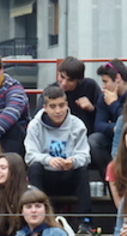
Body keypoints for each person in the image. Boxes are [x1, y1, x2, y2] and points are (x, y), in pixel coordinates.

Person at [25, 85, 91, 222]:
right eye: (53, 106)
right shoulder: (34, 125)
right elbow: (30, 155)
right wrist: (48, 160)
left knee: (82, 170)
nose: (58, 111)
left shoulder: (78, 125)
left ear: (67, 105)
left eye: (61, 105)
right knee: (34, 168)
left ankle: (85, 222)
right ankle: (40, 219)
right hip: (46, 176)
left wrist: (72, 161)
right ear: (45, 108)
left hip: (68, 175)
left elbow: (85, 156)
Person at [90, 59, 127, 173]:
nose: (103, 86)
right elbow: (98, 125)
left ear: (118, 78)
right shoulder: (104, 97)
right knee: (94, 140)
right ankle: (110, 176)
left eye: (105, 82)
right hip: (113, 137)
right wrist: (116, 128)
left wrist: (113, 104)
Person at [51, 56, 102, 133]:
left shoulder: (90, 86)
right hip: (59, 134)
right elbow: (40, 116)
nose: (64, 83)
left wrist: (92, 109)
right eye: (62, 77)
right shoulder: (51, 91)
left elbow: (104, 115)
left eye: (70, 80)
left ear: (79, 80)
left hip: (87, 133)